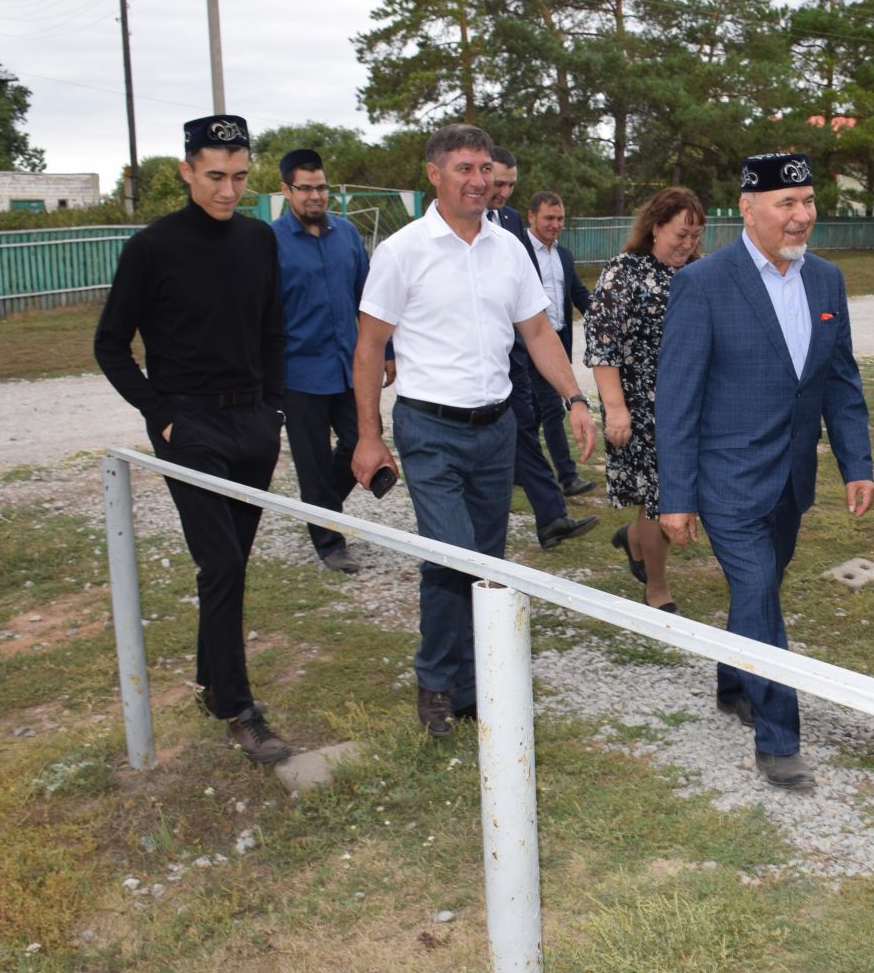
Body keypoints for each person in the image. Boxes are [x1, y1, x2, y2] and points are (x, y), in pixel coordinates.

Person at [350, 125, 598, 736]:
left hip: (496, 429)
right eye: (464, 168)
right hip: (428, 429)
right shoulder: (402, 251)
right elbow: (368, 347)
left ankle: (469, 684)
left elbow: (539, 332)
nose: (479, 180)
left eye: (485, 168)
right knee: (452, 557)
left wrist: (574, 397)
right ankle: (436, 681)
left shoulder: (508, 248)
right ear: (433, 173)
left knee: (486, 560)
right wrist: (367, 435)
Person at [656, 153, 874, 791]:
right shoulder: (704, 284)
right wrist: (676, 495)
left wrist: (856, 463)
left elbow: (840, 378)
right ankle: (779, 739)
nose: (802, 216)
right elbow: (677, 398)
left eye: (808, 202)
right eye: (787, 203)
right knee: (757, 594)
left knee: (762, 590)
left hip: (791, 480)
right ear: (748, 209)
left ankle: (734, 678)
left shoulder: (826, 281)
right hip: (728, 478)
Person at [93, 114, 292, 764]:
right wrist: (161, 414)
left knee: (229, 562)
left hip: (252, 426)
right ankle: (238, 709)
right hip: (190, 426)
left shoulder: (260, 239)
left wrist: (275, 412)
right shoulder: (152, 248)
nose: (228, 190)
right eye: (214, 176)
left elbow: (272, 331)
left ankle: (212, 683)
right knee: (222, 563)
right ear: (185, 171)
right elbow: (110, 344)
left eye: (239, 177)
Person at [586, 187, 706, 612]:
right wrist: (616, 409)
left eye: (695, 235)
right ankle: (657, 587)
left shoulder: (698, 274)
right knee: (659, 496)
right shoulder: (625, 271)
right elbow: (603, 344)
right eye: (680, 233)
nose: (687, 244)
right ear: (655, 227)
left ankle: (634, 539)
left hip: (688, 407)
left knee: (671, 492)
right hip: (639, 407)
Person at [270, 147, 386, 574]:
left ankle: (322, 508)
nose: (316, 196)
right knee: (313, 461)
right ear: (286, 190)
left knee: (362, 440)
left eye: (321, 188)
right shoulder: (271, 242)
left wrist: (386, 353)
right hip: (298, 373)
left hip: (349, 367)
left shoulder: (347, 235)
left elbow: (370, 301)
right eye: (306, 189)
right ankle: (329, 542)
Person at [484, 148, 598, 549]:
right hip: (481, 360)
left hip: (523, 347)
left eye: (510, 184)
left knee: (528, 427)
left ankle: (551, 515)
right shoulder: (458, 223)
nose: (502, 191)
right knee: (517, 433)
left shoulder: (509, 220)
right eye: (498, 182)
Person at [522, 190, 595, 497]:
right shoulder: (518, 250)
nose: (555, 224)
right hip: (527, 346)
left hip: (558, 344)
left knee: (535, 414)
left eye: (560, 218)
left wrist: (604, 317)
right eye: (548, 218)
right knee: (551, 408)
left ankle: (520, 467)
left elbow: (578, 294)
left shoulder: (562, 255)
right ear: (532, 217)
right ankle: (566, 476)